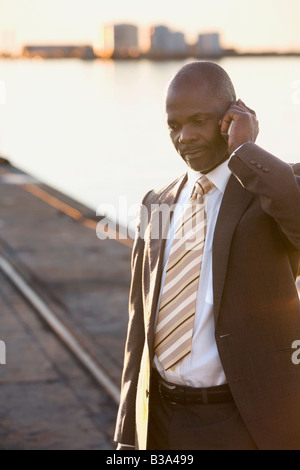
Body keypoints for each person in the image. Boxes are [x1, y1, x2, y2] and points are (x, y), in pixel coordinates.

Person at [114, 61, 300, 450]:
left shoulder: (269, 190)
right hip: (161, 423)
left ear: (230, 117)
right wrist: (128, 437)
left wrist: (247, 150)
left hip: (241, 424)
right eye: (174, 125)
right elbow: (138, 334)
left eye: (199, 120)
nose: (184, 137)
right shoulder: (156, 205)